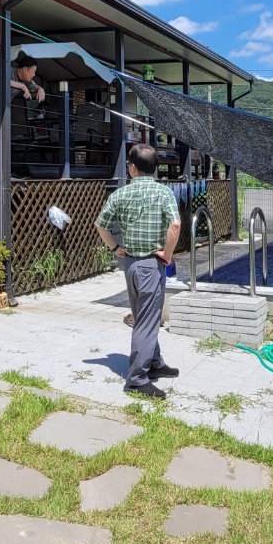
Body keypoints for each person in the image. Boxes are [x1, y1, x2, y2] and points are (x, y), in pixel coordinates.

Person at [95, 142, 181, 399]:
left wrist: (115, 247)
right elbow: (175, 225)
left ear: (132, 168)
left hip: (131, 264)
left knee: (144, 316)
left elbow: (101, 225)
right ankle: (137, 379)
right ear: (154, 168)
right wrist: (168, 255)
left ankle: (154, 362)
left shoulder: (119, 195)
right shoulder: (164, 193)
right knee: (146, 321)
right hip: (151, 265)